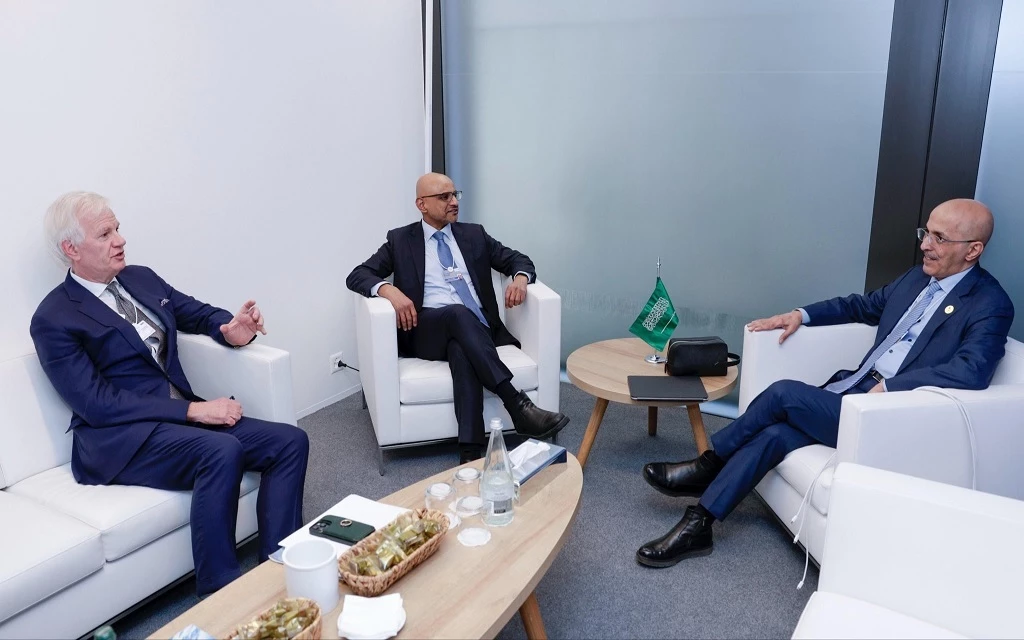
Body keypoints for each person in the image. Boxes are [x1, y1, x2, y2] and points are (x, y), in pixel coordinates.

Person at [637, 198, 1014, 567]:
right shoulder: (919, 278)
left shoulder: (990, 303)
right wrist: (800, 315)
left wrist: (893, 388)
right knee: (774, 435)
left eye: (939, 238)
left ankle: (708, 464)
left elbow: (972, 370)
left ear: (973, 250)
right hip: (852, 390)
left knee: (783, 394)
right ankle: (699, 524)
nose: (925, 245)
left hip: (885, 416)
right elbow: (861, 306)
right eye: (925, 233)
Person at [30, 191, 309, 596]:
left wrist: (230, 329)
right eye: (105, 234)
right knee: (221, 450)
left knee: (289, 441)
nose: (120, 240)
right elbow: (96, 404)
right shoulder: (53, 318)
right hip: (122, 439)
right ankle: (221, 592)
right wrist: (194, 411)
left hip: (176, 422)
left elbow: (196, 313)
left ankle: (280, 564)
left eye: (117, 228)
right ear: (71, 249)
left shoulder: (140, 278)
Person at [347, 172, 569, 462]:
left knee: (461, 350)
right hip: (425, 330)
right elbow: (358, 274)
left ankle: (470, 454)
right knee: (457, 314)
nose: (454, 202)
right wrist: (388, 290)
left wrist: (520, 278)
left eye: (455, 195)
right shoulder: (401, 240)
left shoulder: (474, 235)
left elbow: (517, 259)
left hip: (476, 329)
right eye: (444, 197)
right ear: (422, 204)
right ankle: (517, 405)